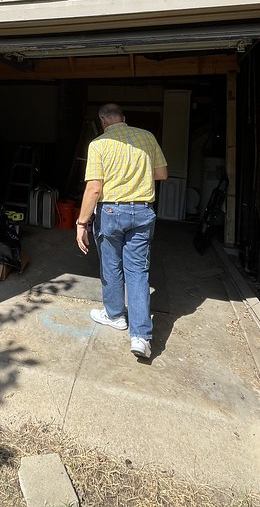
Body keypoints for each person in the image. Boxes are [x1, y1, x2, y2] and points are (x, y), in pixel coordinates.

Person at [75, 103, 168, 360]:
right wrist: (136, 173)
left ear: (103, 122)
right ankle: (140, 337)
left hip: (112, 213)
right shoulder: (146, 137)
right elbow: (162, 173)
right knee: (138, 271)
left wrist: (81, 223)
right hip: (142, 211)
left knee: (111, 265)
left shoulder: (99, 144)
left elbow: (94, 188)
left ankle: (115, 315)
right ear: (124, 119)